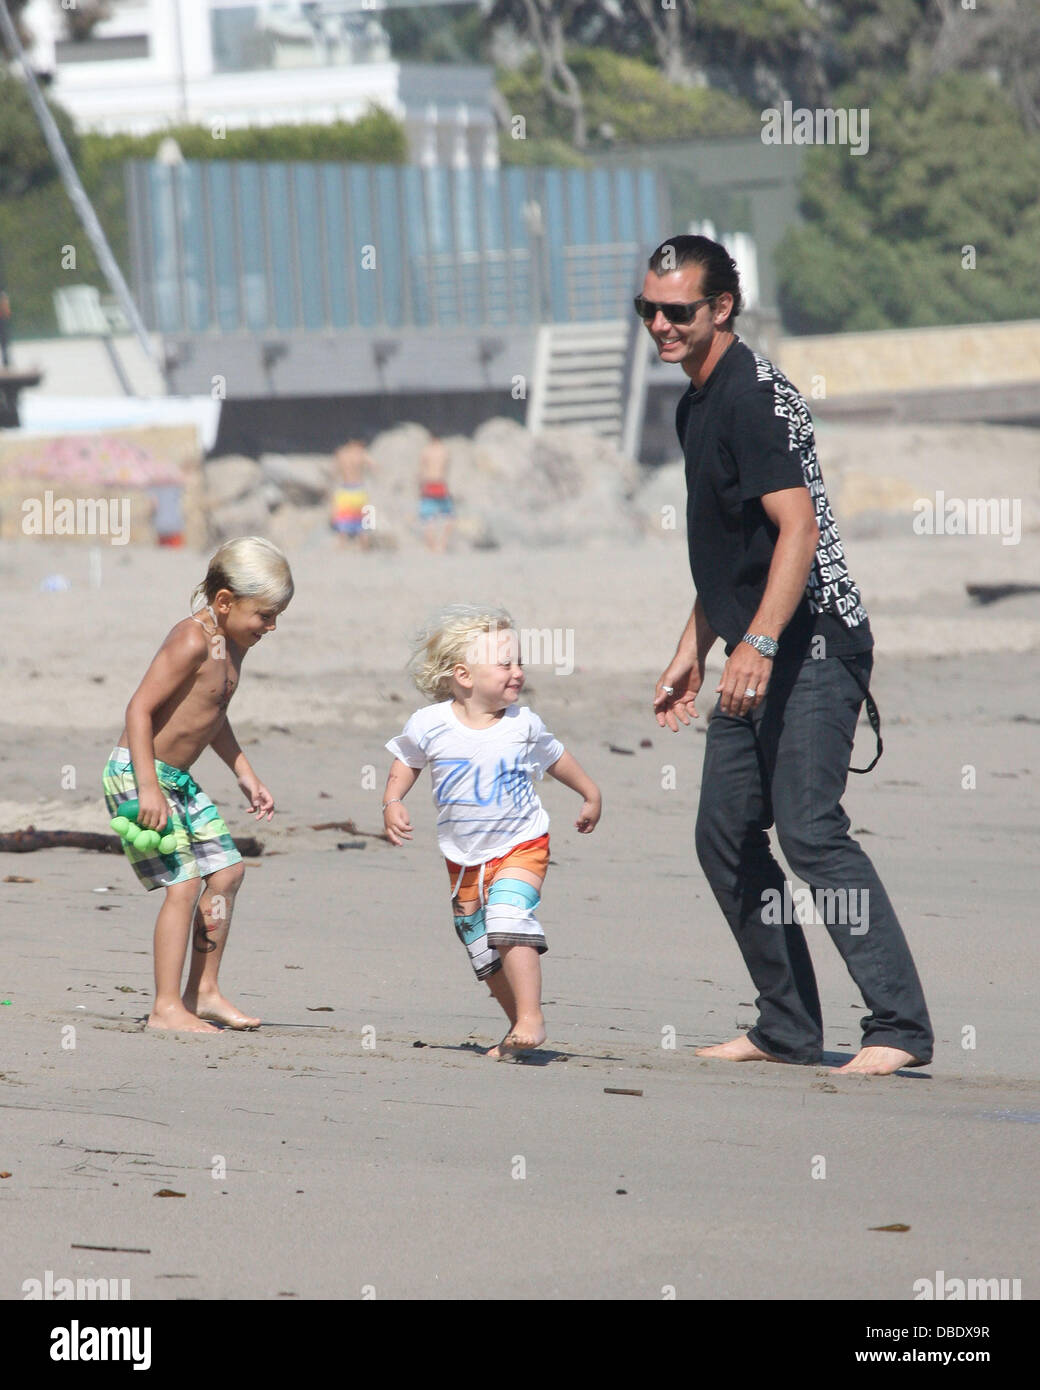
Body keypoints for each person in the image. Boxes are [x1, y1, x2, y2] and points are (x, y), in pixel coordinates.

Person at [642, 234, 933, 1077]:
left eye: (677, 311)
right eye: (648, 310)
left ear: (720, 308)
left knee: (809, 831)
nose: (660, 324)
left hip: (813, 646)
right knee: (724, 835)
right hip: (756, 645)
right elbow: (737, 547)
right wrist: (692, 651)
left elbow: (797, 527)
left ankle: (900, 1028)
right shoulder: (696, 403)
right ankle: (788, 1025)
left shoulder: (753, 398)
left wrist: (761, 643)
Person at [382, 606, 601, 1058]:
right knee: (480, 945)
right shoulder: (430, 723)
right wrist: (392, 801)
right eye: (505, 664)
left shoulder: (524, 724)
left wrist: (589, 792)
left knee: (507, 919)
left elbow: (555, 757)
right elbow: (408, 760)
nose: (517, 672)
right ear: (464, 675)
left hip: (522, 844)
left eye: (519, 662)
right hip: (463, 859)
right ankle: (516, 1027)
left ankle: (532, 1018)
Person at [101, 536, 293, 1033]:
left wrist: (245, 772)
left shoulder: (233, 643)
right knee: (183, 884)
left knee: (226, 873)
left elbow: (213, 713)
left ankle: (202, 992)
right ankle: (166, 1008)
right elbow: (139, 709)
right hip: (137, 774)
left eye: (277, 616)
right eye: (265, 615)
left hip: (177, 780)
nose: (271, 627)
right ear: (225, 602)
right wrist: (147, 787)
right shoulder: (190, 639)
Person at [330, 438, 373, 547]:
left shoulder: (341, 454)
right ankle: (365, 547)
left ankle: (342, 547)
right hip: (358, 489)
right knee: (364, 521)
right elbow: (374, 466)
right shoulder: (361, 454)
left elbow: (334, 471)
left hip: (345, 489)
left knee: (343, 522)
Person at [417, 433, 455, 552]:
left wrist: (419, 487)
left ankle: (432, 546)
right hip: (441, 484)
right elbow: (446, 470)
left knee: (428, 518)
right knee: (449, 517)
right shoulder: (445, 451)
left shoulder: (425, 451)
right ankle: (442, 544)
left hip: (428, 484)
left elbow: (421, 471)